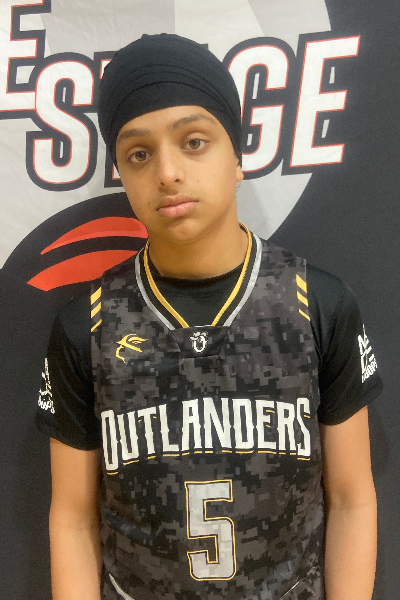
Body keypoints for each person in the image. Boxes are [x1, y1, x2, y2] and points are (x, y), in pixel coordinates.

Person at [36, 33, 382, 600]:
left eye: (194, 142)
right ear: (120, 171)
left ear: (237, 155)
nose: (167, 172)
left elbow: (351, 498)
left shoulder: (317, 304)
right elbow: (72, 519)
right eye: (139, 154)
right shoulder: (89, 325)